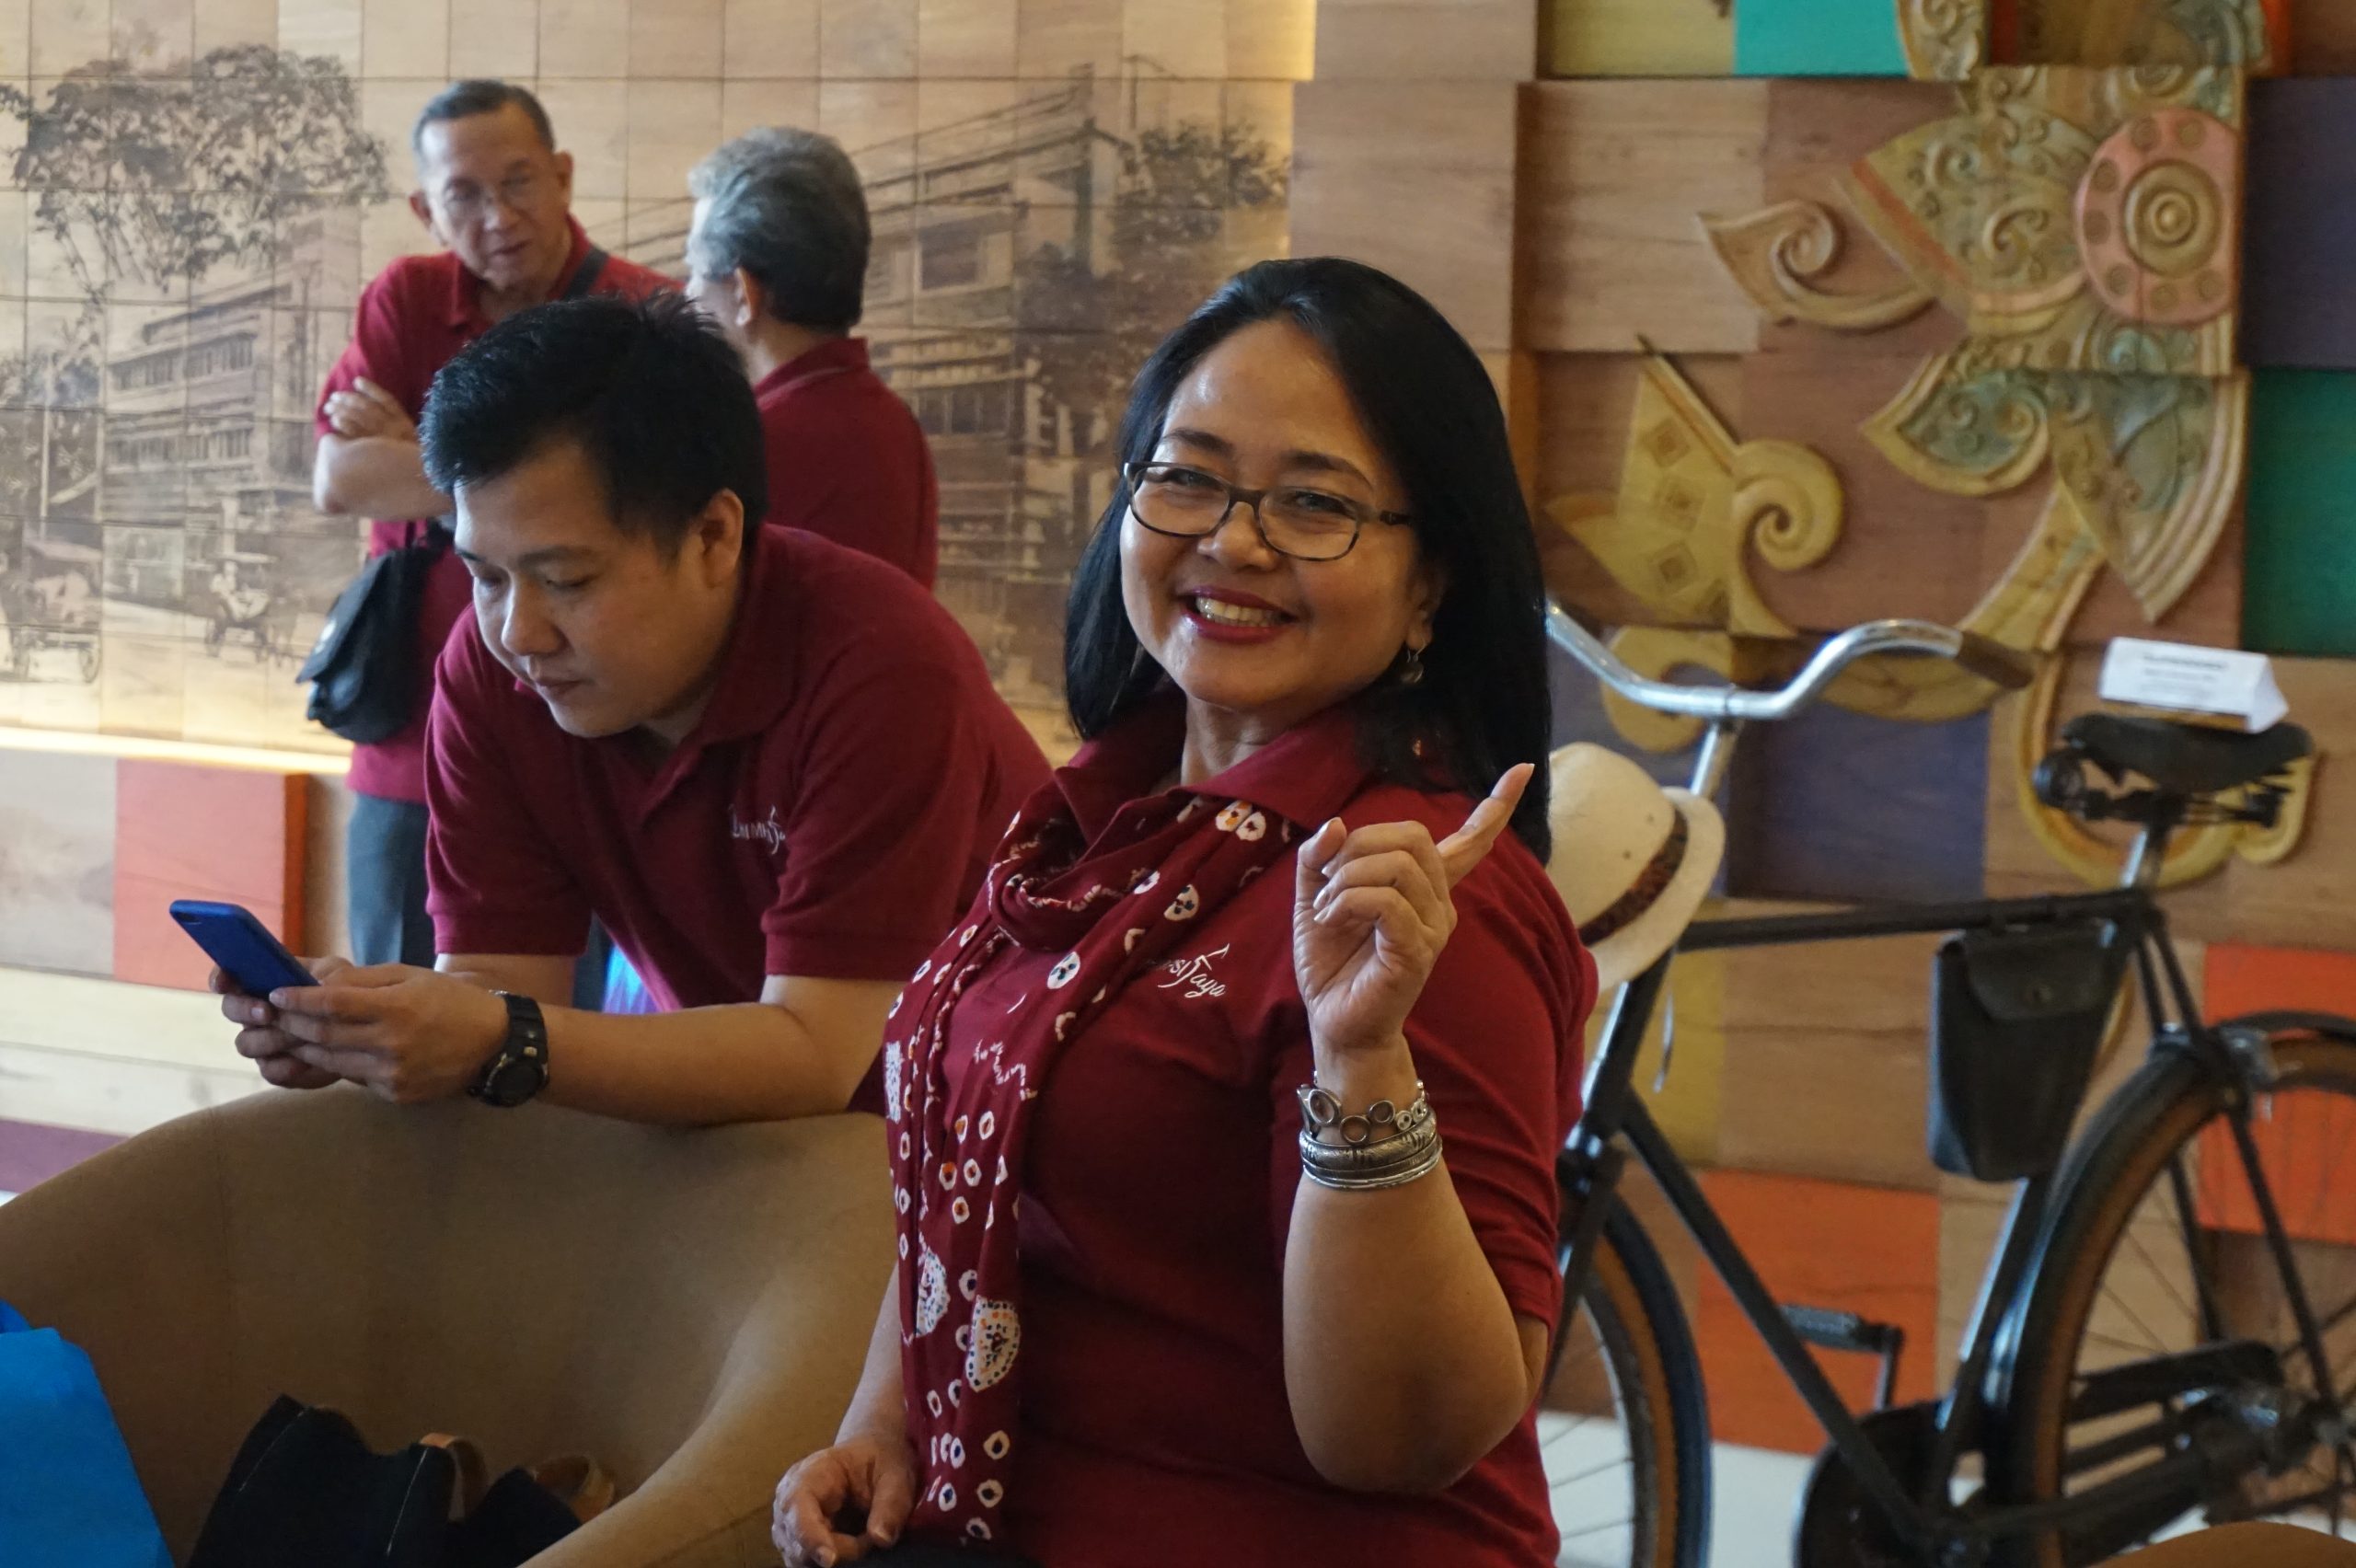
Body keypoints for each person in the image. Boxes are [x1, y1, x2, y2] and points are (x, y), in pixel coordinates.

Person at [771, 258, 1596, 1566]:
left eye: (1316, 503)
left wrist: (1361, 1062)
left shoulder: (1422, 897)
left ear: (1432, 582)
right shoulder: (1094, 825)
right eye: (1189, 478)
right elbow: (980, 1170)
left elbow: (1401, 1438)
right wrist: (886, 1425)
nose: (1235, 541)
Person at [219, 295, 1050, 1127]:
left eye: (567, 580)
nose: (520, 632)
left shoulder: (880, 667)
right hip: (745, 1127)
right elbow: (499, 986)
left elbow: (820, 1055)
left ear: (713, 537)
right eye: (487, 576)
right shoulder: (490, 671)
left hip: (993, 1121)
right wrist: (376, 1031)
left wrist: (500, 1038)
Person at [313, 79, 671, 970]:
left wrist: (420, 455)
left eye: (518, 183)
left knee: (588, 1031)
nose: (498, 217)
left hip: (602, 746)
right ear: (426, 211)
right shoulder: (405, 300)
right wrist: (554, 481)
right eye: (464, 196)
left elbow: (648, 501)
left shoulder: (642, 317)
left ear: (562, 176)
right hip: (415, 740)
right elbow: (341, 478)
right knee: (397, 1009)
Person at [684, 128, 938, 586]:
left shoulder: (752, 447)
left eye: (695, 271)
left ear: (743, 293)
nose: (688, 294)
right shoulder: (896, 424)